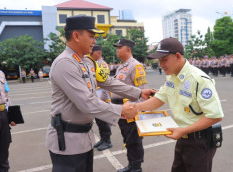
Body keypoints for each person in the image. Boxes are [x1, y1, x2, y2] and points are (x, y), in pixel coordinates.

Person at [45, 15, 154, 172]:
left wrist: (139, 92)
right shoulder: (65, 63)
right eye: (91, 36)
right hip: (68, 142)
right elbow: (87, 103)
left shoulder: (86, 62)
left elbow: (107, 82)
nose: (95, 41)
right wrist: (121, 110)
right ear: (76, 35)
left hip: (84, 138)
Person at [135, 37, 224, 172]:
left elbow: (215, 116)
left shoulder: (199, 80)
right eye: (159, 60)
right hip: (182, 138)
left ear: (177, 56)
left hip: (200, 141)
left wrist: (183, 131)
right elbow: (160, 97)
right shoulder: (172, 76)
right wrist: (136, 108)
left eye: (164, 60)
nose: (161, 65)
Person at [112, 38, 148, 172]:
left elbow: (143, 90)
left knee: (134, 140)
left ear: (128, 49)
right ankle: (131, 164)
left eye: (119, 47)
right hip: (122, 110)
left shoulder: (135, 66)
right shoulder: (122, 66)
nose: (117, 50)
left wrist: (137, 112)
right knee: (127, 138)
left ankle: (137, 167)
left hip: (131, 110)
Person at [89, 45, 113, 151]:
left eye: (91, 53)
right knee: (98, 120)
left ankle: (107, 140)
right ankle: (103, 139)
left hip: (102, 95)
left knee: (103, 119)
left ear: (98, 53)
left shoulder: (101, 64)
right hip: (96, 95)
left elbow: (103, 82)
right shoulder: (94, 63)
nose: (90, 55)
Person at [0, 68, 16, 172]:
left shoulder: (1, 73)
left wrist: (11, 116)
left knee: (4, 146)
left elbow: (6, 95)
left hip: (3, 113)